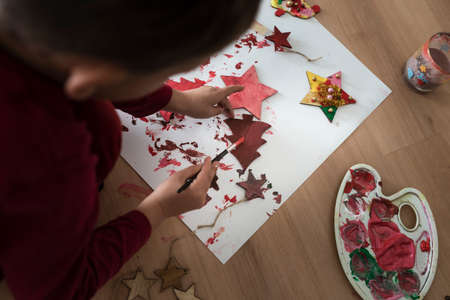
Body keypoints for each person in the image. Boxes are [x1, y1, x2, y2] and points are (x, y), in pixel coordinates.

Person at [0, 1, 260, 299]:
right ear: (95, 79)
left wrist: (176, 99)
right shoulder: (49, 162)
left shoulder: (31, 36)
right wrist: (158, 209)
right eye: (166, 73)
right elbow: (58, 291)